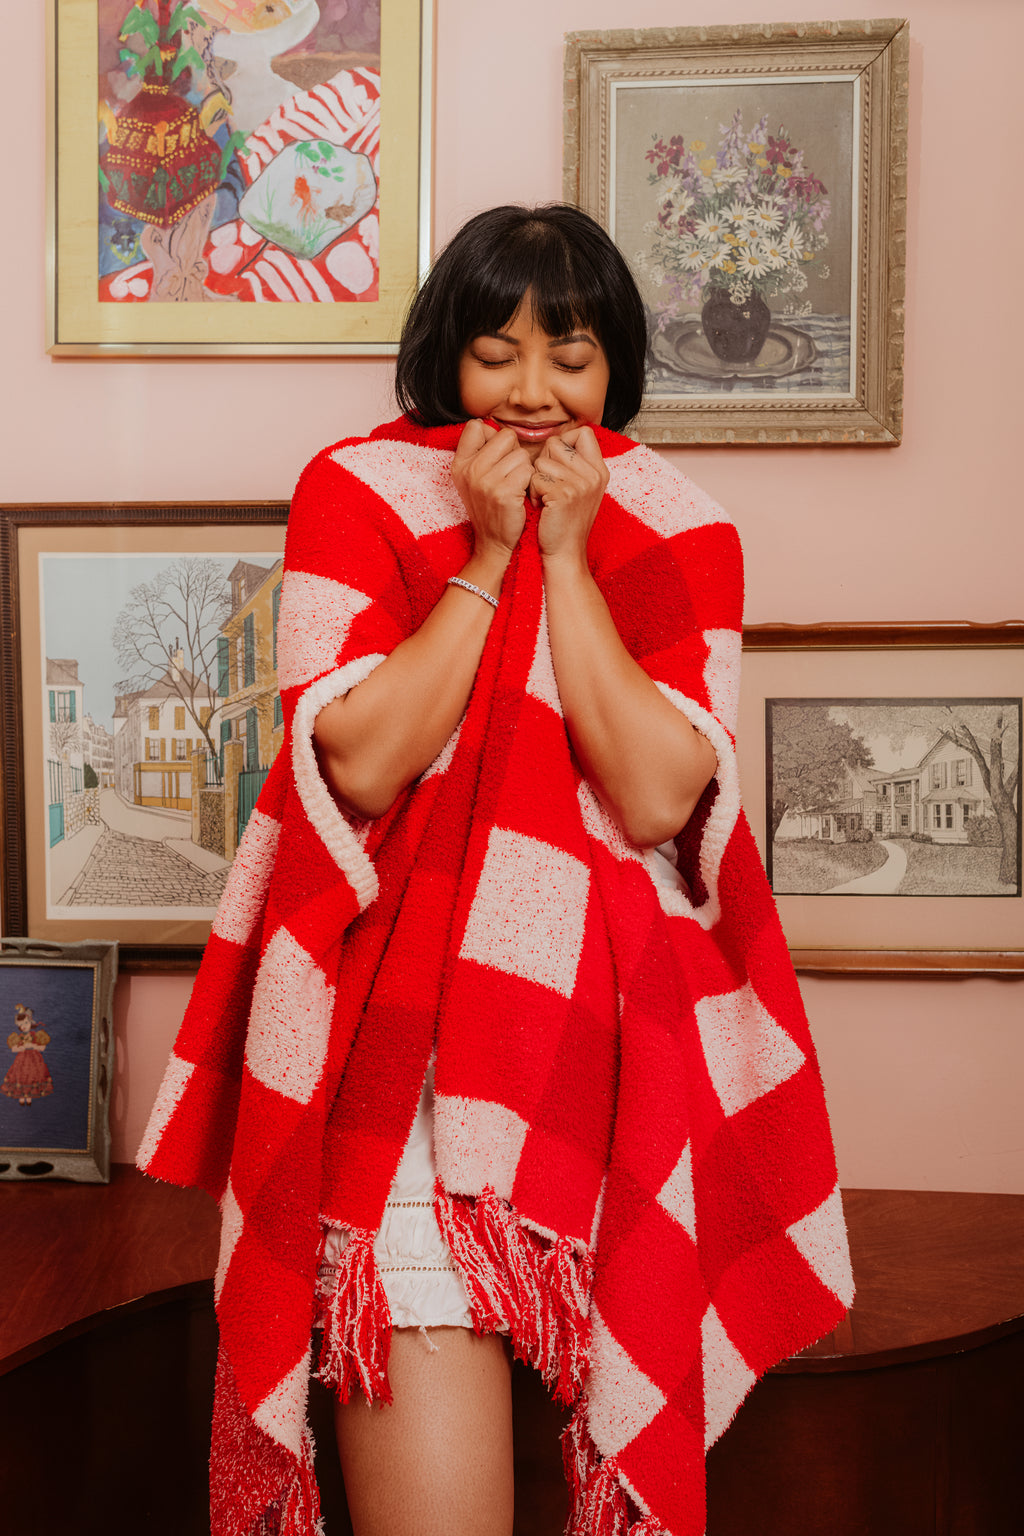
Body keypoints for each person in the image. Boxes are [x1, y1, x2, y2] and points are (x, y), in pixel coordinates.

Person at [139, 204, 853, 1536]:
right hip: (404, 1085)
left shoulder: (682, 528)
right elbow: (358, 764)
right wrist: (483, 556)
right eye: (496, 351)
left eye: (569, 357)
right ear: (441, 358)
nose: (531, 394)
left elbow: (652, 792)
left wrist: (565, 556)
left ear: (617, 366)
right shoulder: (355, 490)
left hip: (617, 1069)